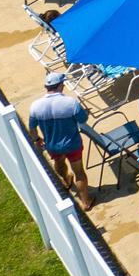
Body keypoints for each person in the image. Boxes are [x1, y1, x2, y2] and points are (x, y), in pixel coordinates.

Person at [27, 72, 91, 210]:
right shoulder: (70, 103)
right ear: (61, 85)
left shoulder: (35, 106)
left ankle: (67, 180)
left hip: (52, 146)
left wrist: (37, 139)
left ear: (46, 87)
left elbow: (32, 129)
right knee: (79, 172)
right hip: (72, 145)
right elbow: (83, 120)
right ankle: (85, 202)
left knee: (58, 162)